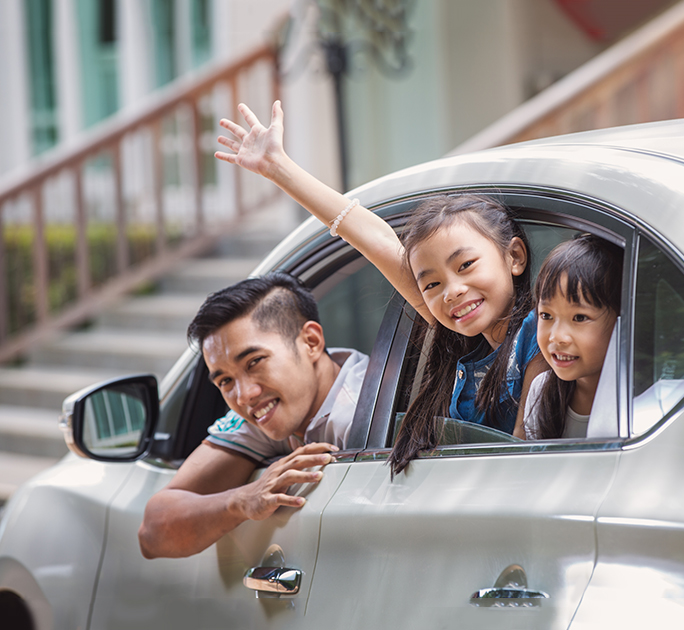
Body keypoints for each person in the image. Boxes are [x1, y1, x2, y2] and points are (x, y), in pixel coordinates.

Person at [215, 101, 547, 476]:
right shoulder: (464, 346)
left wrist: (281, 168)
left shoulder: (541, 333)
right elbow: (376, 241)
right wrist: (277, 168)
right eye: (432, 284)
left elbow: (525, 459)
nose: (451, 291)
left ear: (514, 256)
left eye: (466, 265)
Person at [138, 272, 368, 558]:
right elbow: (152, 532)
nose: (244, 396)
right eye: (225, 381)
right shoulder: (267, 413)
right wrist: (242, 500)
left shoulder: (362, 409)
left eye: (254, 362)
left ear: (310, 341)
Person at [524, 234, 622, 440]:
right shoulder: (541, 392)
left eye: (579, 317)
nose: (557, 337)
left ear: (621, 320)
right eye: (546, 315)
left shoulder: (634, 400)